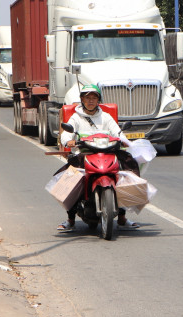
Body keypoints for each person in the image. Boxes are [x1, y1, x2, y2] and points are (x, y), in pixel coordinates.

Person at [56, 84, 140, 232]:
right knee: (71, 178)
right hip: (84, 154)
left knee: (127, 169)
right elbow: (66, 134)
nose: (90, 101)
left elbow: (118, 132)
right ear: (82, 99)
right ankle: (70, 219)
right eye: (87, 98)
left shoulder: (105, 117)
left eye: (94, 98)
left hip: (107, 153)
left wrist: (125, 141)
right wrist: (68, 140)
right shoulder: (76, 117)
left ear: (98, 100)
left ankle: (122, 217)